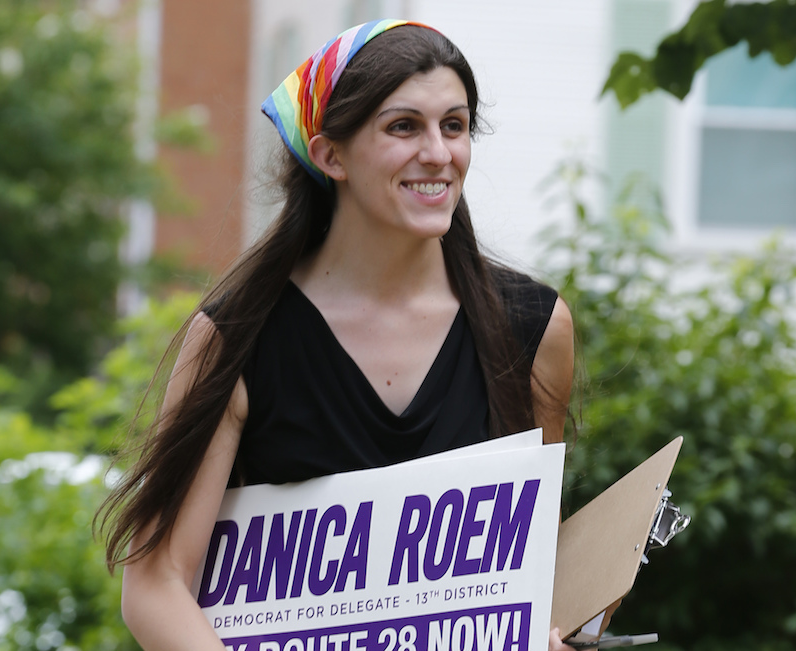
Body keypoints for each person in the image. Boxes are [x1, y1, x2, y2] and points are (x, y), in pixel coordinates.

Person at [97, 19, 576, 650]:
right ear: (330, 154)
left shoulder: (534, 326)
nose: (438, 152)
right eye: (403, 126)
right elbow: (155, 581)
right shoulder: (238, 336)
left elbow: (536, 565)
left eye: (454, 125)